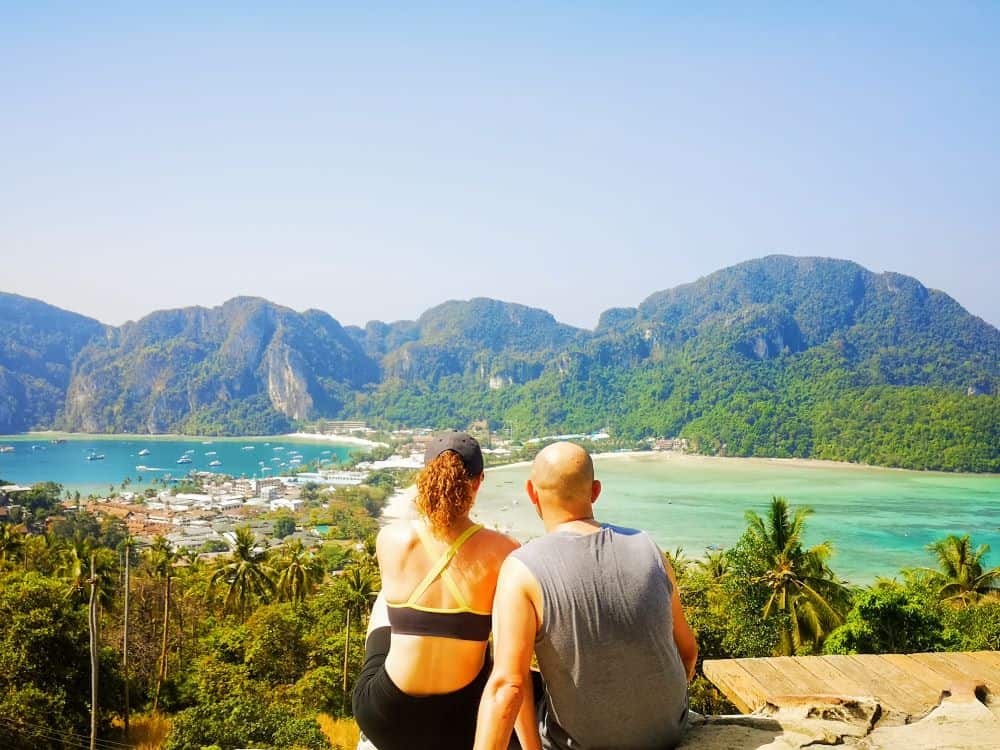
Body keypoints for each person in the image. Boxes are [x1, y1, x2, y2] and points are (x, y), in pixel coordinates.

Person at [474, 442, 698, 750]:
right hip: (669, 732)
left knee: (521, 682)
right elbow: (688, 651)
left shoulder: (522, 568)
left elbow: (508, 686)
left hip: (581, 744)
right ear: (595, 491)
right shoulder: (649, 547)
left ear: (531, 493)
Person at [353, 431, 521, 750]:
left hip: (386, 718)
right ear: (479, 481)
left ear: (426, 475)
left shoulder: (391, 539)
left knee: (384, 603)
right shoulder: (505, 551)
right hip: (458, 724)